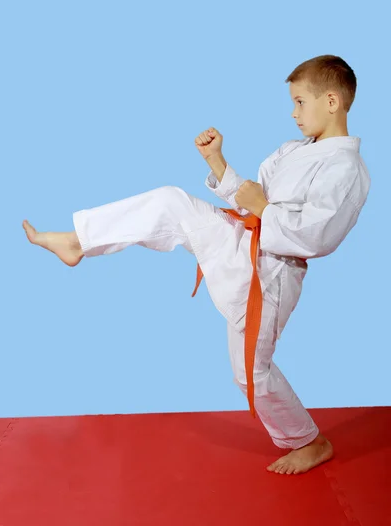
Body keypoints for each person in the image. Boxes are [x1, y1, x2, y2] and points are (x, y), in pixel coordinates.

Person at [22, 54, 370, 475]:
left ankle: (310, 442)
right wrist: (217, 162)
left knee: (250, 375)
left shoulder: (345, 167)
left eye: (300, 102)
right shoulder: (294, 150)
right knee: (172, 202)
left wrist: (265, 208)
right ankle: (78, 241)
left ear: (332, 102)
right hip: (242, 241)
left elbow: (319, 235)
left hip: (271, 273)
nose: (293, 113)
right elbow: (252, 194)